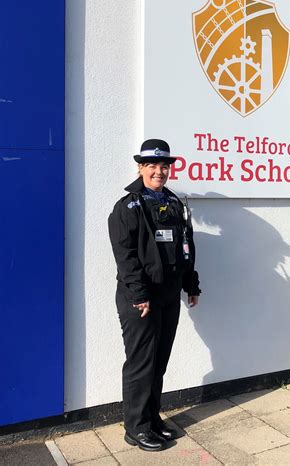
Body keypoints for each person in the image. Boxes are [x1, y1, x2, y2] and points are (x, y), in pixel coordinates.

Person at [108, 139, 201, 452]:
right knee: (141, 364)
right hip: (141, 299)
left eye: (164, 166)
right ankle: (135, 428)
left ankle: (151, 418)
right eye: (152, 165)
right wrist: (139, 295)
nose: (159, 171)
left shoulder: (173, 203)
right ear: (141, 167)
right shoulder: (127, 207)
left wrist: (191, 283)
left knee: (158, 362)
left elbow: (185, 247)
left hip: (167, 295)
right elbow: (126, 257)